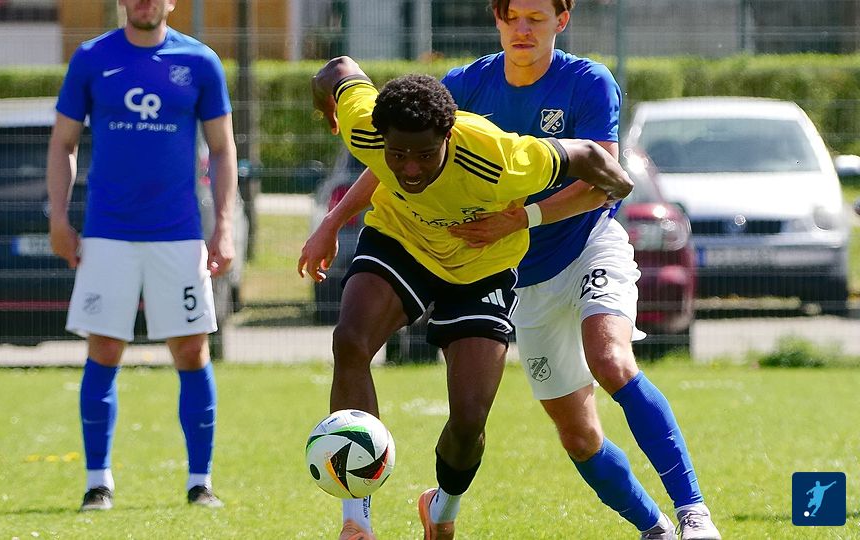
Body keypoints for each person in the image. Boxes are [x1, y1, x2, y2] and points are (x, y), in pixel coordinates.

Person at [306, 2, 722, 538]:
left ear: (561, 21)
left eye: (536, 17)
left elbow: (598, 175)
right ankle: (655, 528)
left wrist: (523, 216)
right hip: (515, 270)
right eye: (512, 17)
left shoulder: (579, 89)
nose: (522, 29)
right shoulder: (462, 86)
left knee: (610, 360)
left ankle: (694, 514)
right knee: (577, 433)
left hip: (579, 246)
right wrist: (331, 221)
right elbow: (393, 148)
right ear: (497, 21)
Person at [299, 55, 634, 540]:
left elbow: (586, 154)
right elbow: (337, 69)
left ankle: (442, 507)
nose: (409, 169)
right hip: (401, 241)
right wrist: (328, 110)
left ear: (448, 135)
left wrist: (621, 186)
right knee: (350, 341)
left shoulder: (500, 157)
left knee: (469, 419)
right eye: (397, 155)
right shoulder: (365, 126)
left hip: (483, 265)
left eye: (424, 155)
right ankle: (357, 520)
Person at [46, 0, 238, 512]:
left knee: (191, 351)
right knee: (104, 349)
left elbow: (222, 148)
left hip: (178, 233)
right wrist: (58, 217)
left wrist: (223, 226)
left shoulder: (200, 61)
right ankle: (97, 483)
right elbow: (63, 143)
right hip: (107, 233)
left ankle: (200, 483)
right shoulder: (91, 58)